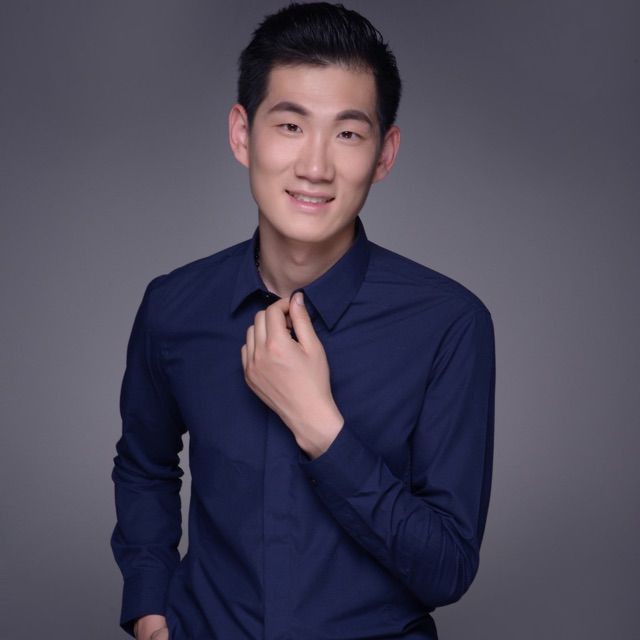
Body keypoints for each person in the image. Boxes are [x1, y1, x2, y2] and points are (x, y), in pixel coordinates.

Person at [110, 2, 496, 639]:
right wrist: (150, 611)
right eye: (290, 125)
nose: (315, 167)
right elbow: (144, 465)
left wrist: (320, 425)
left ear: (384, 153)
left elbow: (447, 569)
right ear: (243, 134)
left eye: (348, 134)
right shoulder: (174, 306)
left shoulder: (449, 325)